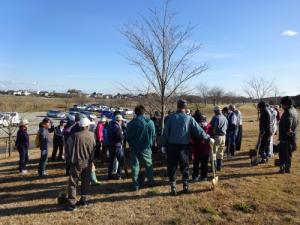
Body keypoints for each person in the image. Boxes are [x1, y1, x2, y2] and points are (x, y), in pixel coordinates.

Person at [162, 100, 213, 195]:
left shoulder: (170, 118)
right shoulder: (189, 118)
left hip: (171, 146)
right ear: (185, 108)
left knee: (172, 166)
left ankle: (173, 187)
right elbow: (199, 131)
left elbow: (165, 133)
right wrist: (208, 137)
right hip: (183, 147)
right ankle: (185, 186)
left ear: (177, 107)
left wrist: (164, 145)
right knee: (184, 166)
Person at [65, 117, 95, 211]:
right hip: (88, 162)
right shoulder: (92, 135)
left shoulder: (74, 136)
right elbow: (94, 148)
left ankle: (72, 204)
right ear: (87, 126)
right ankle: (83, 200)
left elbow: (67, 150)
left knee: (73, 183)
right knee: (85, 182)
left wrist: (68, 161)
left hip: (76, 162)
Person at [127, 105, 156, 191]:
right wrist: (150, 143)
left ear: (135, 113)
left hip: (134, 148)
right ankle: (151, 182)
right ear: (144, 112)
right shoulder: (150, 122)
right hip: (146, 147)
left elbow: (127, 136)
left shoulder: (131, 123)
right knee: (149, 166)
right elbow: (153, 135)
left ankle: (135, 185)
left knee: (135, 166)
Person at [278, 96, 298, 173]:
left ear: (286, 104)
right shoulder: (294, 110)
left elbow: (288, 127)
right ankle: (287, 167)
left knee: (284, 154)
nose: (281, 106)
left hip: (286, 138)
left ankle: (285, 168)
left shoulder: (288, 112)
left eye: (282, 104)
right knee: (288, 154)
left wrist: (287, 135)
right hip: (291, 136)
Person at [191, 114, 213, 181]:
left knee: (196, 163)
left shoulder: (196, 127)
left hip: (197, 148)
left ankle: (196, 176)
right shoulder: (210, 127)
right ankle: (204, 176)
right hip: (205, 148)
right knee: (204, 163)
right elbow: (211, 135)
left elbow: (192, 137)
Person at [107, 114, 125, 180]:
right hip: (117, 146)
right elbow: (120, 137)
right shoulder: (117, 127)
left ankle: (109, 175)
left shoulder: (110, 125)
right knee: (121, 160)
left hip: (110, 145)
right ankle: (119, 175)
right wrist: (123, 135)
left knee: (111, 161)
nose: (122, 122)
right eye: (121, 121)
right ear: (119, 120)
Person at [210, 106, 228, 171]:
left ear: (215, 111)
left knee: (214, 152)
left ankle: (214, 168)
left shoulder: (215, 117)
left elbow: (213, 127)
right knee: (220, 152)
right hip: (224, 136)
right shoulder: (224, 117)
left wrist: (212, 134)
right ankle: (219, 167)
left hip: (217, 136)